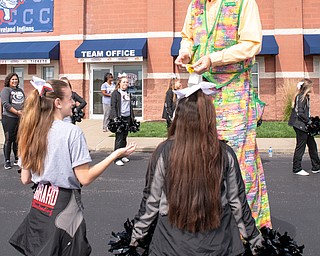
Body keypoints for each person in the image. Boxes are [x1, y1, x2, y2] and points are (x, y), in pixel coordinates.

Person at [9, 79, 136, 255]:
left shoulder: (31, 129)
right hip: (64, 208)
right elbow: (85, 178)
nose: (74, 103)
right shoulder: (72, 132)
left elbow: (25, 179)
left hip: (39, 206)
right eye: (70, 98)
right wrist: (114, 155)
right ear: (58, 103)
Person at [130, 87, 263, 256]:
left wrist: (136, 237)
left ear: (179, 118)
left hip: (170, 246)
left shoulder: (163, 151)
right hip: (219, 245)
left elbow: (151, 201)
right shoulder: (224, 152)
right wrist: (254, 240)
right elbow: (237, 202)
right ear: (209, 118)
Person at [174, 0, 271, 229]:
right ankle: (210, 223)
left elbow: (251, 44)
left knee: (238, 161)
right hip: (202, 94)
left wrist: (213, 59)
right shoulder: (195, 5)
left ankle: (246, 229)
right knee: (202, 157)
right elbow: (187, 36)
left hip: (234, 93)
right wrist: (186, 52)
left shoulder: (243, 3)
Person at [288, 79, 320, 176]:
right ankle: (297, 168)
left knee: (312, 146)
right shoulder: (301, 97)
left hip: (304, 125)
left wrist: (311, 120)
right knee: (300, 147)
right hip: (300, 125)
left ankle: (316, 167)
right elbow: (300, 113)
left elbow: (304, 112)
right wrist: (309, 121)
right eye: (311, 86)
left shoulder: (305, 97)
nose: (312, 88)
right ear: (307, 87)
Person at [109, 73, 135, 166]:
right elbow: (113, 107)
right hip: (119, 118)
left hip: (127, 117)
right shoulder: (115, 93)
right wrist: (115, 118)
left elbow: (130, 106)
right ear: (119, 83)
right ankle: (116, 158)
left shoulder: (128, 93)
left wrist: (132, 117)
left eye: (127, 82)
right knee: (119, 138)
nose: (126, 84)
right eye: (124, 82)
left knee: (124, 137)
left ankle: (123, 154)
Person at [1, 72, 25, 170]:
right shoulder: (6, 90)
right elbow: (6, 104)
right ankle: (7, 160)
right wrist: (17, 112)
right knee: (8, 139)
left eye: (16, 79)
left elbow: (24, 102)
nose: (14, 81)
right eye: (13, 79)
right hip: (9, 118)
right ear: (9, 81)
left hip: (19, 118)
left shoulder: (20, 90)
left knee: (17, 139)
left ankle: (16, 158)